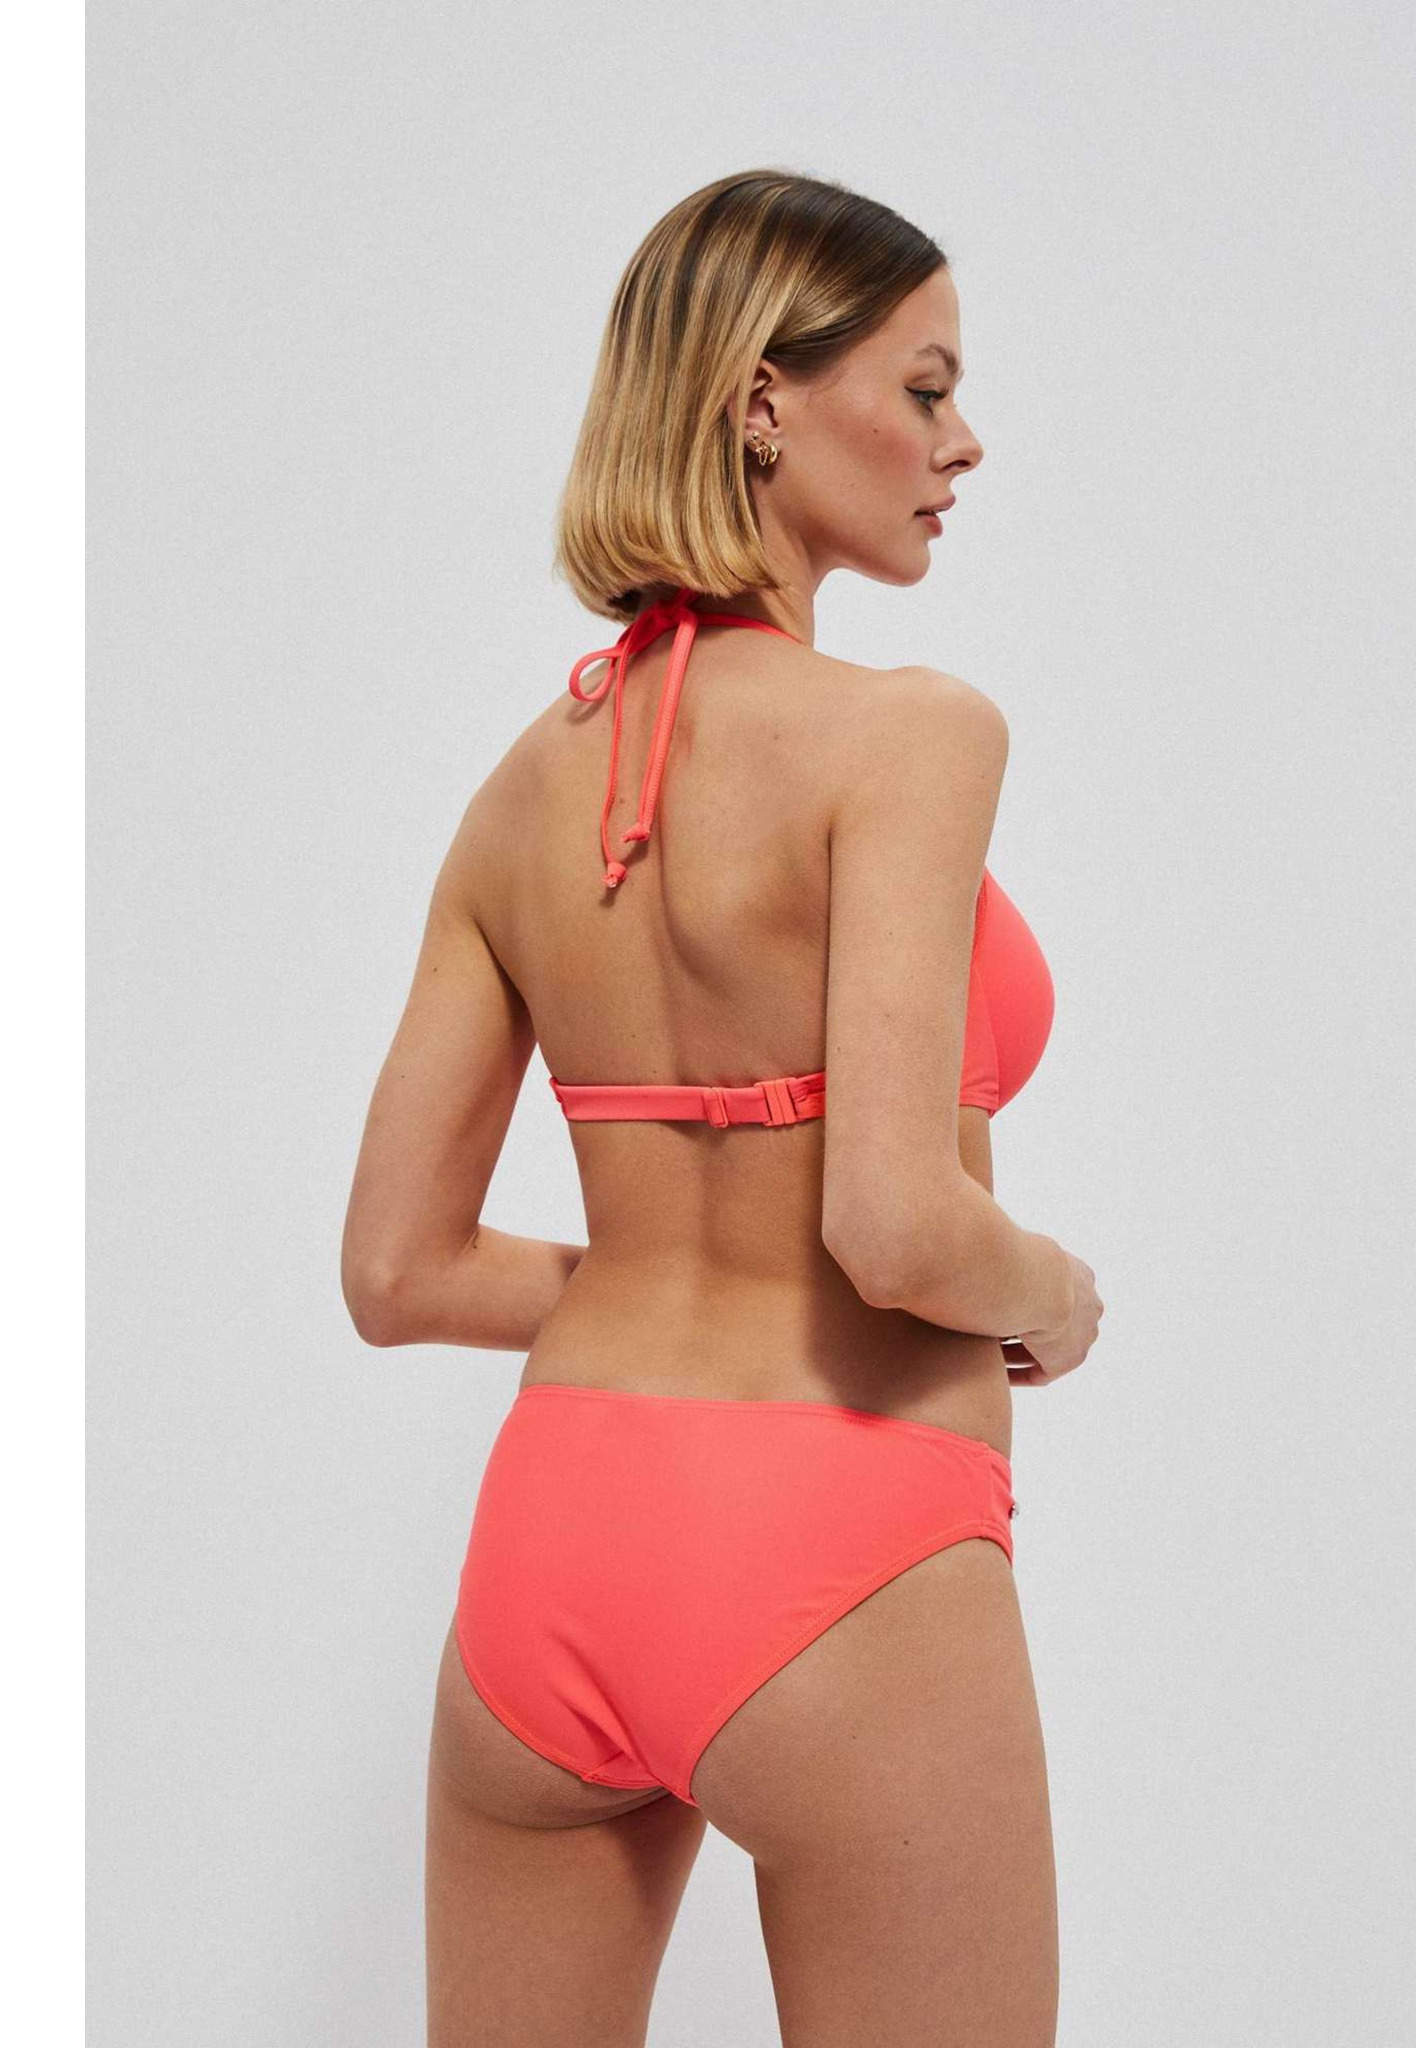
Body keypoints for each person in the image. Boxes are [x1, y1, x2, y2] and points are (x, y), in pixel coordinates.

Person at [341, 166, 1103, 2048]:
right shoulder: (914, 734)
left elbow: (394, 1272)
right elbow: (895, 1227)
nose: (965, 441)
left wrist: (652, 1275)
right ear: (766, 400)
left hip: (552, 1547)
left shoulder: (523, 789)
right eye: (926, 388)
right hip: (843, 1539)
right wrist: (1054, 1291)